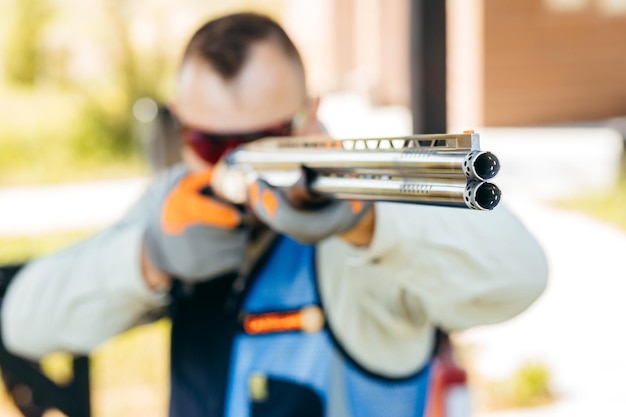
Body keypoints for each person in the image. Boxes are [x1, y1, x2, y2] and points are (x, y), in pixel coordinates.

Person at [0, 12, 548, 417]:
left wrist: (366, 223)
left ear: (309, 115)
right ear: (180, 126)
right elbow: (25, 323)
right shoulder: (178, 204)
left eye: (265, 140)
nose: (239, 161)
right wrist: (148, 259)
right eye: (211, 142)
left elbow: (520, 276)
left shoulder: (357, 200)